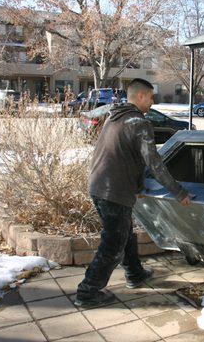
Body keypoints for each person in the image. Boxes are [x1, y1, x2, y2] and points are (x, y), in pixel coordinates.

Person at [75, 78, 191, 308]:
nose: (153, 101)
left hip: (99, 186)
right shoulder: (139, 122)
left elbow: (126, 156)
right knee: (113, 243)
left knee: (125, 233)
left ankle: (135, 274)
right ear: (140, 96)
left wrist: (137, 187)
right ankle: (88, 292)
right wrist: (179, 193)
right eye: (150, 97)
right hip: (113, 190)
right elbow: (154, 164)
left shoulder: (116, 117)